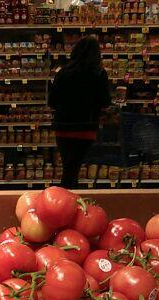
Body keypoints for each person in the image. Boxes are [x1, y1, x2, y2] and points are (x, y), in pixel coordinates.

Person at [48, 36, 111, 189]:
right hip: (85, 127)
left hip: (63, 127)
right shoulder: (99, 74)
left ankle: (65, 195)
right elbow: (105, 102)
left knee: (68, 166)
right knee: (74, 167)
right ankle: (68, 195)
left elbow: (52, 102)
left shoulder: (63, 73)